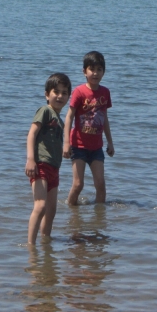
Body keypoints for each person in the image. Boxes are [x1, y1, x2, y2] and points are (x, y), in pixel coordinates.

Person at [25, 73, 72, 244]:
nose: (60, 96)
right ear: (47, 94)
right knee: (41, 205)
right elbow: (31, 134)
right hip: (40, 165)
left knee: (51, 210)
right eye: (56, 92)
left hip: (54, 168)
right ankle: (31, 245)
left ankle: (45, 242)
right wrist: (30, 159)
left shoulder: (60, 121)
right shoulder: (45, 111)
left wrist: (66, 150)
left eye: (64, 92)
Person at [63, 51, 115, 205]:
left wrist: (110, 142)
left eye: (99, 69)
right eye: (92, 69)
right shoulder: (79, 92)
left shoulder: (105, 92)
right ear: (84, 71)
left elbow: (104, 118)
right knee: (78, 185)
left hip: (96, 147)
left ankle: (99, 219)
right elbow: (69, 116)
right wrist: (66, 143)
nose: (95, 73)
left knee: (100, 185)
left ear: (103, 72)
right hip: (78, 145)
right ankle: (72, 213)